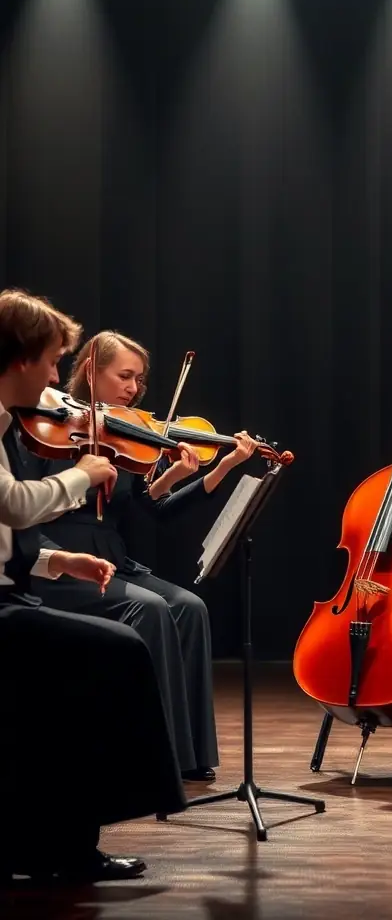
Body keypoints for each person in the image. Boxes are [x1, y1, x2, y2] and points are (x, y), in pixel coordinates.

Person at [0, 289, 185, 882]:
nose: (58, 378)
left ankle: (58, 845)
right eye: (54, 361)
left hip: (14, 592)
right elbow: (12, 505)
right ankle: (72, 845)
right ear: (22, 359)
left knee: (95, 657)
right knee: (117, 650)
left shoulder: (10, 421)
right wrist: (82, 474)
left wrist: (57, 563)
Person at [18, 330, 258, 783]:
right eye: (124, 376)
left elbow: (156, 511)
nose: (132, 388)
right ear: (91, 371)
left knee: (189, 607)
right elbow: (27, 508)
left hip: (114, 559)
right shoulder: (44, 428)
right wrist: (80, 478)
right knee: (146, 608)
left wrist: (219, 467)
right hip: (58, 560)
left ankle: (188, 753)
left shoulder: (127, 437)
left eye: (138, 380)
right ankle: (150, 753)